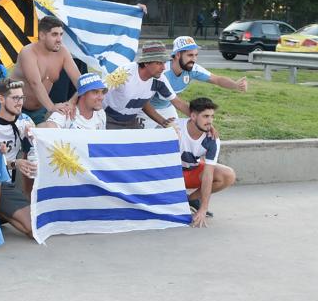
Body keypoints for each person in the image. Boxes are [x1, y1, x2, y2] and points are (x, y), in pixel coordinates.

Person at [143, 36, 247, 128]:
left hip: (167, 107)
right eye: (190, 55)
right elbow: (177, 103)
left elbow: (217, 79)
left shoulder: (192, 68)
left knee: (176, 138)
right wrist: (202, 121)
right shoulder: (161, 70)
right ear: (178, 54)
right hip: (145, 109)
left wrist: (236, 85)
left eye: (196, 55)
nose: (194, 59)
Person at [176, 97, 236, 227]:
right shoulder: (176, 127)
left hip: (190, 173)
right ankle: (173, 201)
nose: (210, 121)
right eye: (206, 116)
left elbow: (208, 174)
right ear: (193, 116)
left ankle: (189, 200)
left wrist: (203, 208)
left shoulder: (212, 139)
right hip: (170, 175)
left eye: (212, 117)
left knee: (228, 175)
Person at [0, 78, 37, 236]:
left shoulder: (24, 121)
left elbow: (37, 150)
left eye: (22, 98)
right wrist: (15, 163)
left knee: (35, 228)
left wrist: (35, 137)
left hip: (7, 185)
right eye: (15, 98)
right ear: (1, 99)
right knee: (33, 229)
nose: (20, 102)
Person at [11, 15, 81, 124]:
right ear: (42, 35)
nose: (59, 39)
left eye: (61, 34)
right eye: (54, 34)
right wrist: (52, 107)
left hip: (41, 110)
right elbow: (35, 83)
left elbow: (80, 82)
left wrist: (72, 102)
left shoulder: (63, 52)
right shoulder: (28, 52)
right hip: (15, 109)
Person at [103, 41, 188, 130]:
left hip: (131, 120)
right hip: (108, 119)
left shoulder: (159, 79)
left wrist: (198, 119)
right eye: (159, 63)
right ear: (146, 62)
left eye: (164, 63)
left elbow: (177, 103)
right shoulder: (125, 73)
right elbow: (98, 91)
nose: (164, 68)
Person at [39, 72, 108, 130]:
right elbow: (48, 128)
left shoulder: (100, 114)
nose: (101, 97)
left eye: (102, 92)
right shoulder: (66, 111)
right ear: (82, 94)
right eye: (95, 92)